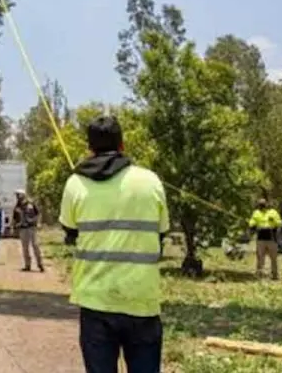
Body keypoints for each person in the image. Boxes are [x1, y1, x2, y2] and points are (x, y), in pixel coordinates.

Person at [59, 116, 169, 373]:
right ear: (122, 145)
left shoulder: (76, 183)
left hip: (95, 301)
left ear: (90, 148)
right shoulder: (150, 181)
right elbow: (161, 233)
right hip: (141, 300)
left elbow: (69, 230)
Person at [249, 198, 282, 280]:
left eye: (263, 204)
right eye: (260, 204)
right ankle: (259, 274)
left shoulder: (273, 212)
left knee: (273, 258)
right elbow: (251, 222)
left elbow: (280, 223)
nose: (262, 205)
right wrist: (253, 224)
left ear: (267, 204)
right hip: (261, 238)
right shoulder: (256, 213)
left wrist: (273, 220)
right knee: (260, 257)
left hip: (272, 238)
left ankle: (274, 275)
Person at [13, 189, 43, 272]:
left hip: (31, 228)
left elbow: (38, 214)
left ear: (23, 195)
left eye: (18, 194)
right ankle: (27, 265)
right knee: (25, 248)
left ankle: (40, 264)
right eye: (17, 195)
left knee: (35, 245)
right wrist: (15, 227)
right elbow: (15, 218)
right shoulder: (17, 206)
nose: (17, 196)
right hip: (23, 229)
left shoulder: (31, 203)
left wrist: (38, 222)